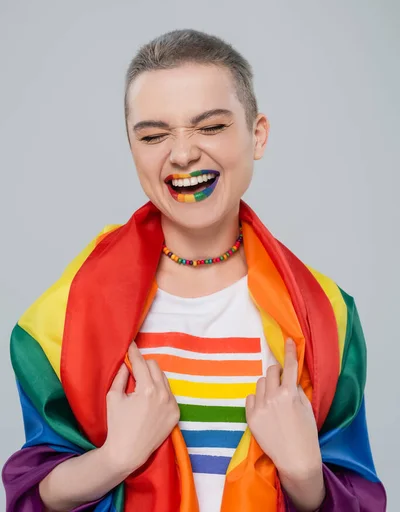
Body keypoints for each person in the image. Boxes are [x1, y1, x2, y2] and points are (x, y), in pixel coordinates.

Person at [2, 29, 386, 512]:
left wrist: (305, 472)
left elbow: (356, 497)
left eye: (210, 127)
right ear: (132, 148)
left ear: (258, 134)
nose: (182, 153)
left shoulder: (326, 317)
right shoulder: (67, 315)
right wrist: (115, 459)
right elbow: (32, 494)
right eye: (154, 134)